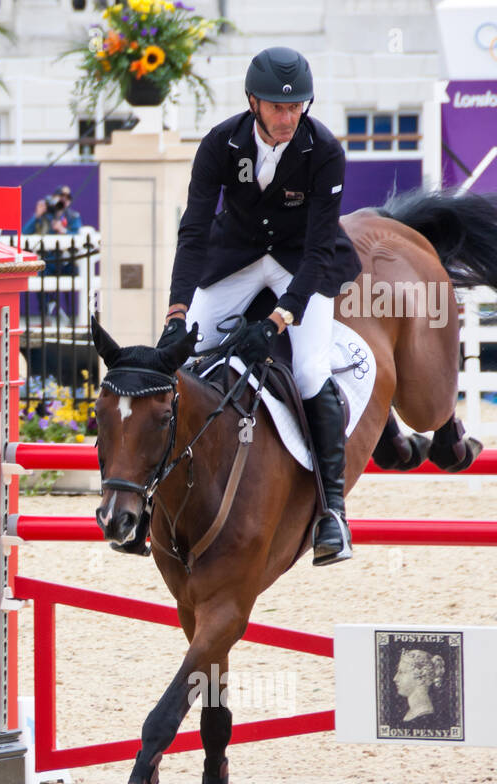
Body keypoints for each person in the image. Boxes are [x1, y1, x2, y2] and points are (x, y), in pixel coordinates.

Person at [160, 46, 363, 566]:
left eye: (296, 108)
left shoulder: (324, 151)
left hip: (302, 261)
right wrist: (176, 312)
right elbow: (194, 230)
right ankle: (154, 499)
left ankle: (332, 512)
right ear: (253, 101)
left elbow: (319, 250)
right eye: (276, 107)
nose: (287, 118)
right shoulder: (219, 144)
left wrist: (278, 319)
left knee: (312, 369)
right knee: (180, 359)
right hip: (240, 257)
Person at [393, 648, 445, 724]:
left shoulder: (423, 712)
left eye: (402, 672)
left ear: (421, 677)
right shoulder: (412, 711)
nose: (395, 678)